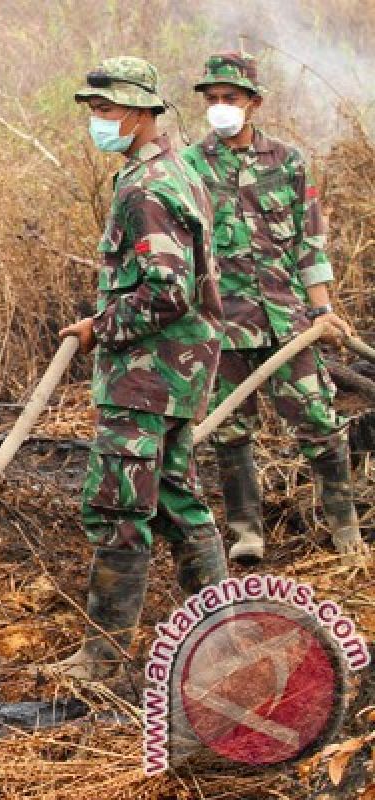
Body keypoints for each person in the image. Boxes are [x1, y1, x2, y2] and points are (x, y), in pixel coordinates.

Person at [55, 58, 228, 680]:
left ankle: (104, 656)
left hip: (148, 374)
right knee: (176, 497)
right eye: (94, 112)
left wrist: (98, 328)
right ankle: (222, 636)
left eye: (105, 112)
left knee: (121, 505)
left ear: (141, 112)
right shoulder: (177, 170)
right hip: (176, 371)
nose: (97, 123)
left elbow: (167, 291)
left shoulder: (146, 188)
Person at [182, 52, 368, 565]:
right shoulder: (190, 166)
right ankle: (246, 533)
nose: (220, 107)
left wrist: (323, 310)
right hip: (224, 327)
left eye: (230, 99)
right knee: (230, 430)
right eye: (212, 100)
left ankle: (346, 531)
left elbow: (310, 244)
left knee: (318, 420)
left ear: (254, 104)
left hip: (289, 324)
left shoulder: (288, 162)